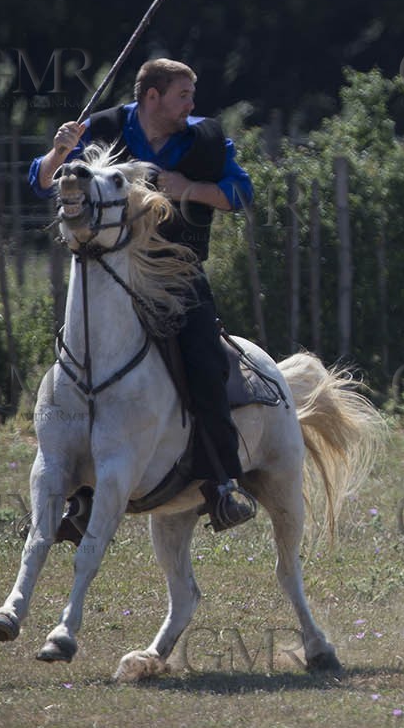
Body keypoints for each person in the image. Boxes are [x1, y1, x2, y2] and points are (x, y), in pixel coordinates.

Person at [31, 58, 258, 531]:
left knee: (204, 359)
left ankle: (221, 482)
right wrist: (57, 153)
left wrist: (190, 189)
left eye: (191, 97)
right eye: (182, 96)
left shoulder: (206, 139)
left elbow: (241, 193)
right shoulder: (101, 128)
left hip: (176, 273)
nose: (191, 106)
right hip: (111, 271)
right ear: (150, 97)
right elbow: (42, 180)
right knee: (80, 360)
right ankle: (76, 487)